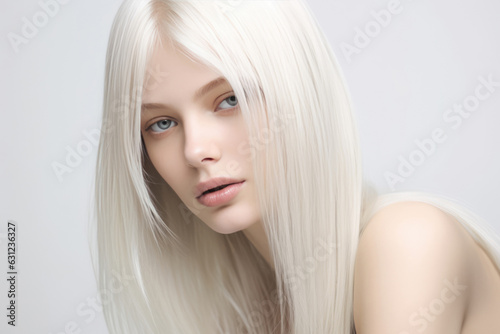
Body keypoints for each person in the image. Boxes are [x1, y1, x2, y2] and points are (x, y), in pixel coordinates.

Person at [92, 0, 500, 333]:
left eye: (230, 99)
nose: (196, 150)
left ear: (298, 93)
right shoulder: (255, 314)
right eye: (161, 124)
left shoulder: (409, 242)